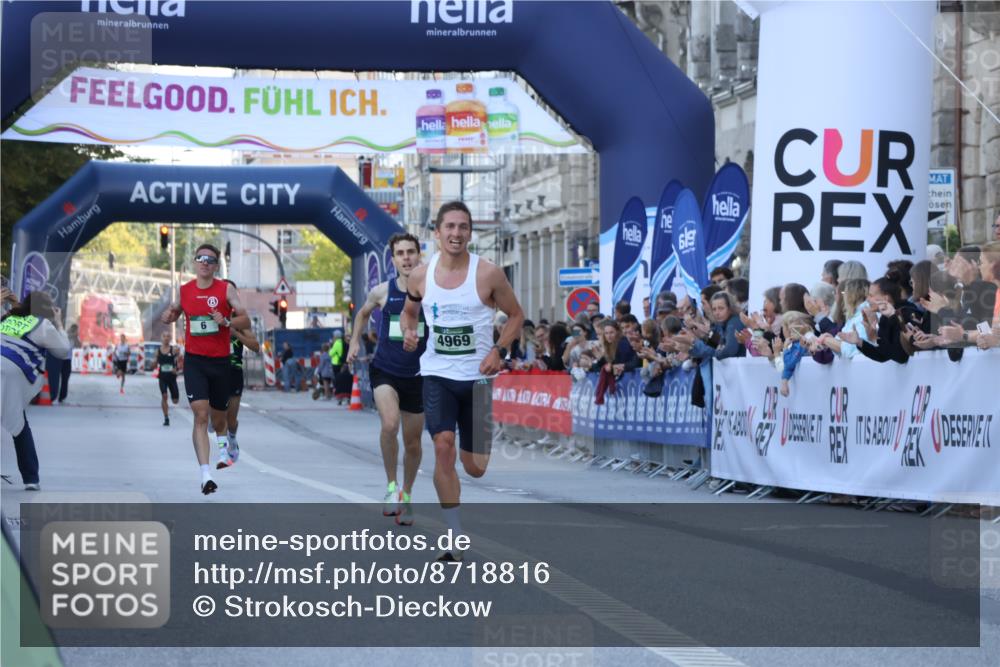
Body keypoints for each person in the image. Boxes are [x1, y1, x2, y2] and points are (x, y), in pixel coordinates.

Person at [400, 201, 524, 560]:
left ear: (470, 232)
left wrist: (499, 350)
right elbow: (409, 313)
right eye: (450, 227)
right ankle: (454, 537)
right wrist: (409, 331)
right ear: (437, 232)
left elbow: (516, 315)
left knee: (475, 468)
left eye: (463, 227)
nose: (456, 233)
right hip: (437, 374)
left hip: (479, 379)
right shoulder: (420, 276)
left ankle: (464, 472)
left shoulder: (488, 274)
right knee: (443, 446)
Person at [348, 233, 428, 525]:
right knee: (390, 424)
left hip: (418, 374)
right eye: (400, 253)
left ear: (419, 255)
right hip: (385, 370)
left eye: (411, 252)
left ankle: (407, 494)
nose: (406, 258)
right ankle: (392, 487)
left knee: (413, 443)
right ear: (393, 259)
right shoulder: (382, 291)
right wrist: (354, 342)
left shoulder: (432, 291)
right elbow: (362, 314)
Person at [161, 243, 250, 495]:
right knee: (200, 415)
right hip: (195, 362)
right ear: (194, 262)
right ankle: (205, 475)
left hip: (220, 362)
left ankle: (225, 446)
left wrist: (227, 321)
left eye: (210, 260)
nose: (204, 262)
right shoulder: (185, 290)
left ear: (216, 265)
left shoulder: (226, 289)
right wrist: (168, 316)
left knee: (218, 418)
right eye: (200, 258)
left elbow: (245, 319)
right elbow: (174, 312)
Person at [1, 289, 71, 490]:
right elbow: (63, 350)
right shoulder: (43, 325)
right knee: (19, 425)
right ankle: (31, 478)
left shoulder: (6, 319)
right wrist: (59, 323)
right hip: (12, 374)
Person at [224, 279, 260, 465]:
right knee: (214, 417)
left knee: (231, 419)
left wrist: (236, 334)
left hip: (234, 371)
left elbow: (255, 346)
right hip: (214, 370)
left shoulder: (240, 321)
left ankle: (231, 438)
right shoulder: (210, 316)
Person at [156, 330, 181, 426]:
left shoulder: (174, 350)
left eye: (168, 336)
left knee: (175, 401)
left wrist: (176, 369)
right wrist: (153, 363)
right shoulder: (158, 351)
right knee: (164, 396)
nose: (166, 338)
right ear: (161, 338)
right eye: (164, 336)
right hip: (162, 377)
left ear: (170, 338)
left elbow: (179, 362)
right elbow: (154, 364)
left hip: (172, 378)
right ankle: (166, 417)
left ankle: (171, 398)